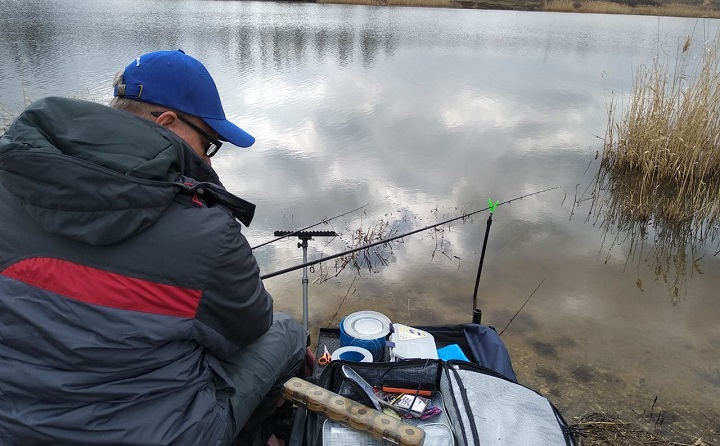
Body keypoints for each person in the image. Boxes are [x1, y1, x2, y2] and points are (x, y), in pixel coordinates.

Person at [0, 49, 308, 446]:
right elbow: (252, 326)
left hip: (14, 428)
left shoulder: (10, 184)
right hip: (166, 436)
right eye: (208, 144)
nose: (209, 162)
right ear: (167, 123)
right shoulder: (207, 233)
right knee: (287, 332)